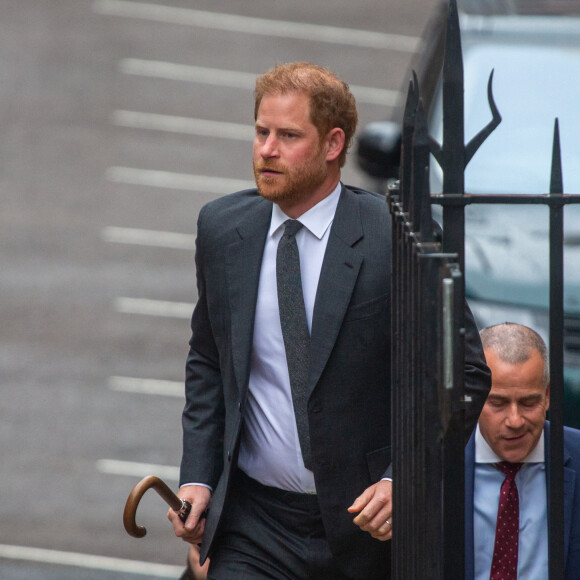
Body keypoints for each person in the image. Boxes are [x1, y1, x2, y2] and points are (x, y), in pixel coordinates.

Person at [168, 61, 491, 580]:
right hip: (254, 526)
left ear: (333, 144)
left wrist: (402, 480)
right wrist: (199, 479)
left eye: (288, 135)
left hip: (365, 533)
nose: (267, 150)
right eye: (261, 132)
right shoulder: (223, 229)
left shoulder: (393, 239)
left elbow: (465, 377)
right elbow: (208, 360)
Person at [465, 322, 580, 579]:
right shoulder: (439, 463)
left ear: (547, 395)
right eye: (498, 403)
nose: (515, 420)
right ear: (475, 396)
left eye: (529, 402)